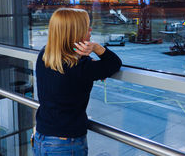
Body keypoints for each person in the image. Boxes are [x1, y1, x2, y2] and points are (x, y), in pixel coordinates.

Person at [33, 8, 122, 155]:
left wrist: (90, 63)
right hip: (66, 143)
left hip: (42, 137)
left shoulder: (45, 55)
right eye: (87, 27)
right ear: (76, 33)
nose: (91, 29)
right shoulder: (81, 68)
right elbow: (114, 63)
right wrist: (96, 48)